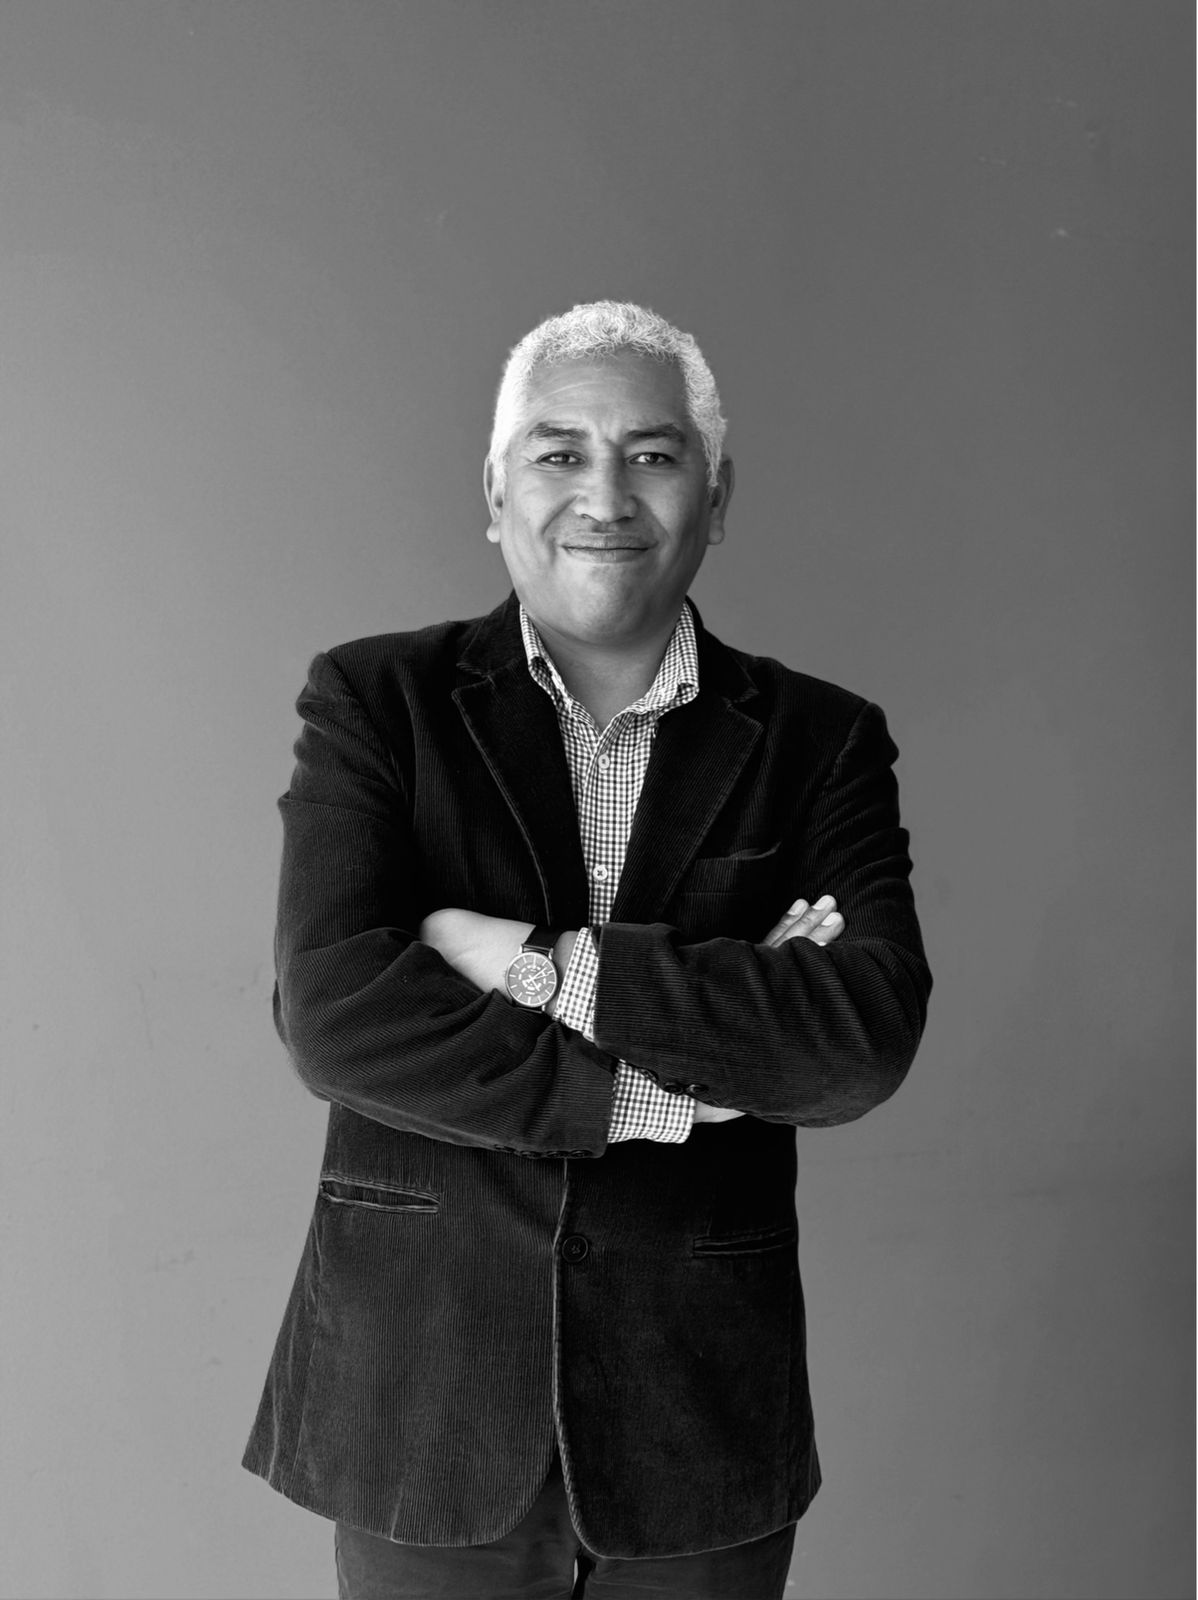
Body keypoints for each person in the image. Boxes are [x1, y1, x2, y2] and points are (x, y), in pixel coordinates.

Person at [242, 300, 932, 1599]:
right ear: (495, 490)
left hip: (699, 1418)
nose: (604, 497)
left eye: (652, 456)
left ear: (716, 496)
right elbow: (335, 1016)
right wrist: (678, 1080)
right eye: (559, 452)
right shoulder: (375, 703)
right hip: (422, 1402)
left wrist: (540, 962)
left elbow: (854, 1045)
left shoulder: (820, 742)